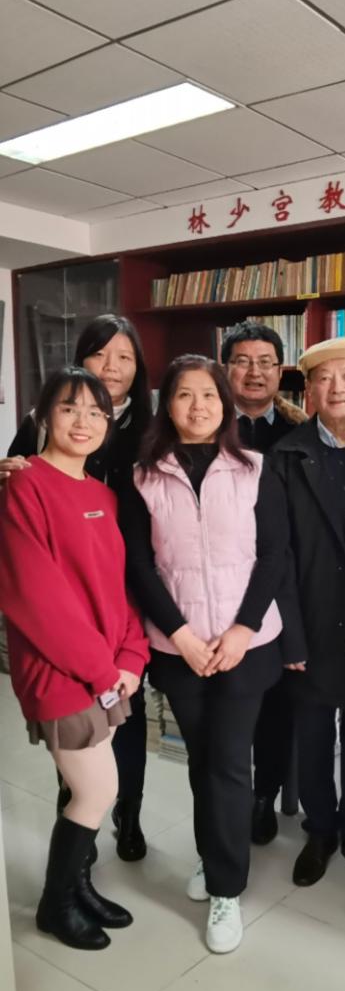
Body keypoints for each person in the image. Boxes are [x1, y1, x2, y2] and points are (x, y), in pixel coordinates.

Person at [120, 355, 305, 955]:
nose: (198, 406)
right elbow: (139, 565)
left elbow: (274, 554)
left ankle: (226, 888)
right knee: (202, 760)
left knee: (226, 761)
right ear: (167, 405)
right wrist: (180, 635)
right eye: (184, 395)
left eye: (208, 394)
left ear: (224, 404)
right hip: (179, 649)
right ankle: (214, 852)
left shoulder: (255, 468)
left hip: (244, 646)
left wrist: (242, 630)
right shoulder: (143, 476)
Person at [0, 367, 149, 950]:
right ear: (43, 416)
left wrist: (131, 656)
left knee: (91, 788)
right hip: (60, 671)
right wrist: (103, 672)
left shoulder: (102, 495)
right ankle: (56, 904)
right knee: (96, 791)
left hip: (105, 671)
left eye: (95, 412)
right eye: (69, 408)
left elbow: (118, 587)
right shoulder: (24, 486)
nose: (83, 422)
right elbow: (37, 599)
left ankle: (77, 890)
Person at [272, 336, 345, 894]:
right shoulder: (286, 456)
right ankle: (320, 829)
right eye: (324, 379)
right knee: (313, 732)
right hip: (312, 616)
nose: (337, 388)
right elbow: (276, 554)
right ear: (309, 391)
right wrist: (290, 635)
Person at [222, 320, 308, 846]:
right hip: (225, 589)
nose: (254, 373)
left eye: (266, 363)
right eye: (242, 361)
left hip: (287, 586)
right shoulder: (205, 427)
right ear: (225, 369)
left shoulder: (300, 436)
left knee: (279, 703)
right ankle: (229, 797)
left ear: (280, 371)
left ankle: (264, 796)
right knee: (231, 704)